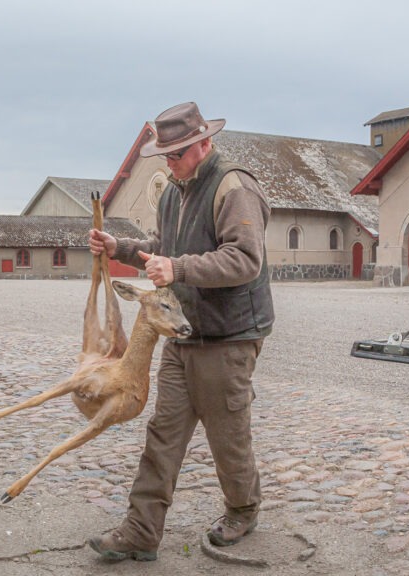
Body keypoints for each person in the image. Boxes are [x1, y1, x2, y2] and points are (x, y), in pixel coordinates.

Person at [87, 102, 275, 561]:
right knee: (162, 435)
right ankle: (140, 532)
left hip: (229, 334)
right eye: (164, 155)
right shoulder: (174, 191)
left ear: (203, 144)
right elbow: (162, 251)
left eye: (174, 154)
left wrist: (178, 267)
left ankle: (243, 509)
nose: (167, 163)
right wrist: (122, 247)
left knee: (226, 433)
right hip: (181, 332)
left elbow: (244, 259)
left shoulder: (233, 187)